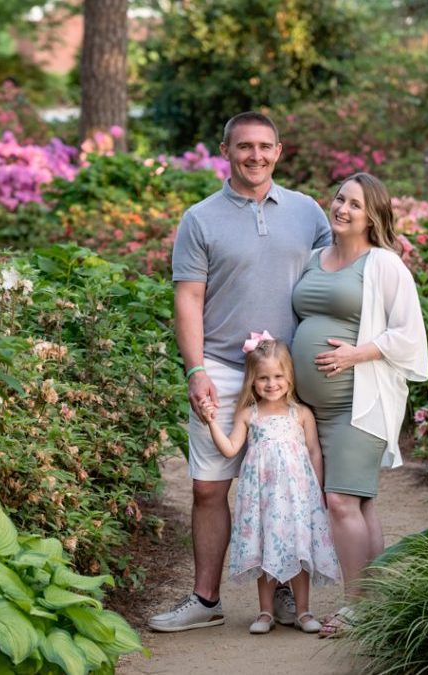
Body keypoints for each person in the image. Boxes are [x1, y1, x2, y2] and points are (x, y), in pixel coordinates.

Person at [148, 112, 331, 633]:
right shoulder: (201, 219)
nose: (255, 155)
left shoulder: (308, 211)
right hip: (225, 370)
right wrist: (195, 370)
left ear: (280, 150)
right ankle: (206, 600)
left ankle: (286, 597)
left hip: (287, 378)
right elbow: (188, 299)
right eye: (244, 146)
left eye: (265, 146)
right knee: (209, 488)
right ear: (225, 150)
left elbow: (337, 273)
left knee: (288, 485)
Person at [290, 172, 428, 637]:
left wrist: (356, 353)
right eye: (339, 198)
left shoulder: (384, 265)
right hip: (313, 409)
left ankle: (355, 608)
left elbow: (410, 335)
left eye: (354, 204)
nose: (341, 208)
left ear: (372, 216)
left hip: (360, 402)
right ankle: (377, 600)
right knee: (360, 502)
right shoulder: (313, 258)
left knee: (341, 500)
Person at [201, 338, 340, 634]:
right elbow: (229, 448)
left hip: (297, 497)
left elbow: (314, 451)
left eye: (278, 376)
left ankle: (303, 612)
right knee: (264, 549)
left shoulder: (301, 414)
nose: (271, 383)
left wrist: (318, 489)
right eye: (263, 377)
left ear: (289, 376)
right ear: (252, 380)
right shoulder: (248, 415)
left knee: (299, 549)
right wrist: (211, 421)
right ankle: (265, 612)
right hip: (261, 499)